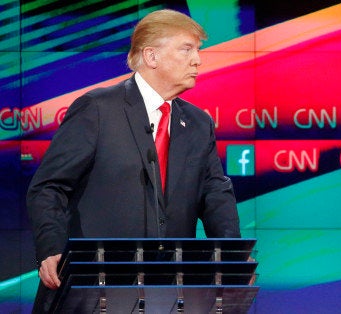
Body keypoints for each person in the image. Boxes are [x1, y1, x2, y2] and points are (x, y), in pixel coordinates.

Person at [26, 9, 241, 312]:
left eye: (198, 50)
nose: (198, 60)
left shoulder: (196, 123)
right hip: (93, 289)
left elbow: (215, 195)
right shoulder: (97, 109)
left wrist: (231, 260)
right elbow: (48, 187)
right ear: (151, 56)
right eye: (186, 49)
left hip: (168, 294)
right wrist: (51, 249)